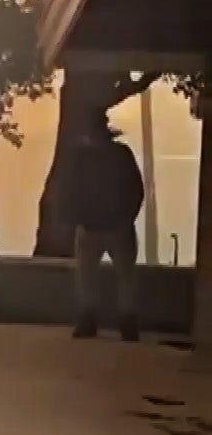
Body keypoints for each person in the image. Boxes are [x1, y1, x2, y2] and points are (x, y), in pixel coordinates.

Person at [62, 120, 146, 341]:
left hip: (93, 228)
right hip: (115, 228)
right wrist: (126, 219)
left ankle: (88, 323)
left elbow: (70, 190)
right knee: (124, 278)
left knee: (87, 277)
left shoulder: (81, 158)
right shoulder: (121, 155)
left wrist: (79, 218)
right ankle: (127, 326)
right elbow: (136, 190)